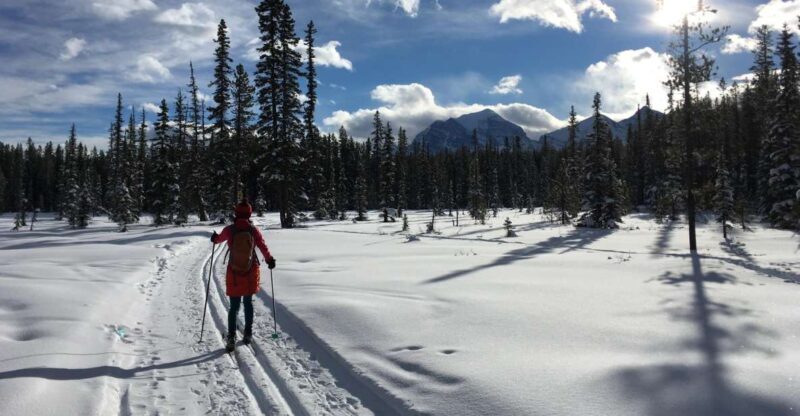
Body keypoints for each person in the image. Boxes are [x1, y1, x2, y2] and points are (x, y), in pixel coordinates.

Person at [211, 198, 276, 352]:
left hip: (234, 273)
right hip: (250, 272)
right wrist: (269, 260)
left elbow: (218, 240)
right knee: (248, 303)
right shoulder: (253, 231)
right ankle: (247, 334)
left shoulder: (230, 230)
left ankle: (232, 337)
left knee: (234, 307)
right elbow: (263, 246)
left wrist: (214, 238)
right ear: (249, 214)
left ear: (236, 213)